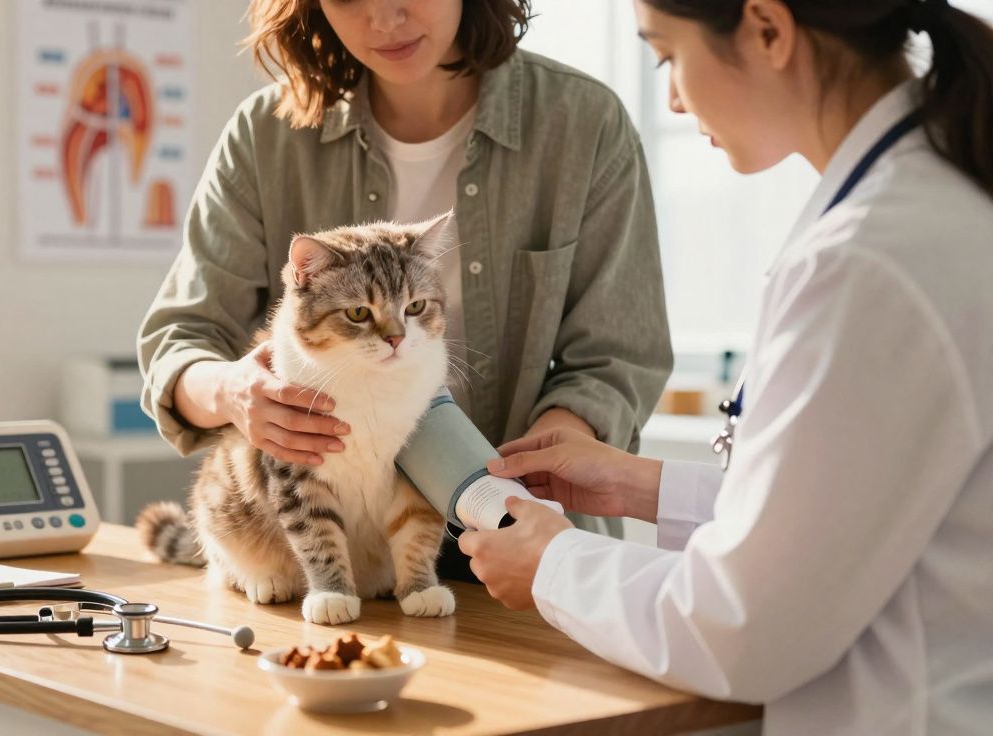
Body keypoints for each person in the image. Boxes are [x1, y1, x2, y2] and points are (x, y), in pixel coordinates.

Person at [460, 0, 993, 732]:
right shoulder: (917, 207)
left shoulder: (873, 260)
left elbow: (745, 628)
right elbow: (847, 508)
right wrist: (646, 487)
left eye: (668, 56)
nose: (673, 99)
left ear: (768, 30)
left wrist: (552, 564)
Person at [139, 0, 674, 581]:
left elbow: (616, 357)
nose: (384, 21)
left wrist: (535, 466)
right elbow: (180, 339)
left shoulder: (583, 122)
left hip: (529, 540)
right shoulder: (262, 135)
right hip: (331, 550)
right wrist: (232, 391)